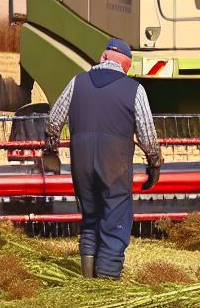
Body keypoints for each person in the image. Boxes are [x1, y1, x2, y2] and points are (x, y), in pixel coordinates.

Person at [43, 37, 163, 279]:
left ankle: (88, 279)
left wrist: (51, 150)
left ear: (103, 57)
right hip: (114, 164)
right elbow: (147, 133)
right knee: (115, 219)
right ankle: (106, 282)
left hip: (82, 161)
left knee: (90, 218)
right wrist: (154, 163)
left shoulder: (77, 82)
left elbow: (54, 120)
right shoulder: (135, 90)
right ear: (124, 65)